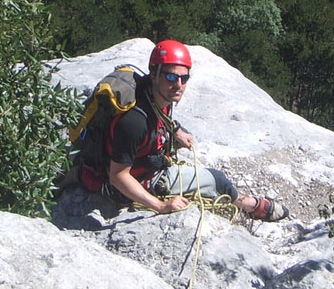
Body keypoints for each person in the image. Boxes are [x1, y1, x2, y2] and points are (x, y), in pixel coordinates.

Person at [80, 39, 289, 221]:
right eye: (171, 77)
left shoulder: (153, 92)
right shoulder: (134, 122)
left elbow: (160, 115)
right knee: (218, 181)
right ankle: (250, 206)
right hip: (126, 185)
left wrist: (175, 129)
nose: (178, 85)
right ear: (155, 74)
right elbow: (118, 176)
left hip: (143, 163)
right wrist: (160, 206)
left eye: (184, 78)